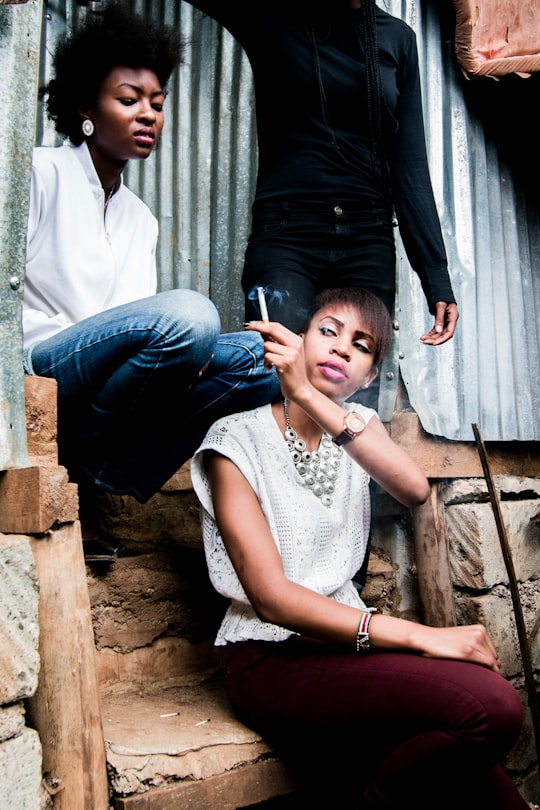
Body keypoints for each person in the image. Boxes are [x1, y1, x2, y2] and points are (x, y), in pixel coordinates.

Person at [191, 287, 528, 810]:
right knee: (493, 708)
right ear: (298, 342)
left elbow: (414, 489)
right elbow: (272, 599)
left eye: (362, 344)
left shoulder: (357, 430)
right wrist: (420, 637)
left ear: (370, 376)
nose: (342, 348)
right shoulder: (233, 439)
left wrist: (310, 399)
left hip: (347, 649)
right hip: (268, 658)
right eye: (327, 331)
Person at [23, 3, 280, 559]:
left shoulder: (141, 217)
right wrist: (189, 342)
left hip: (108, 391)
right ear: (86, 107)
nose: (149, 116)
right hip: (41, 366)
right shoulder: (42, 175)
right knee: (191, 317)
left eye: (157, 105)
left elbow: (148, 333)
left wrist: (195, 359)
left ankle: (99, 473)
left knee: (262, 360)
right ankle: (89, 475)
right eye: (129, 100)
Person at [183, 0, 459, 359]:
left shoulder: (397, 38)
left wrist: (435, 273)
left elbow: (409, 166)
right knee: (278, 379)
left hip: (367, 238)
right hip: (287, 235)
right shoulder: (272, 17)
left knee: (352, 396)